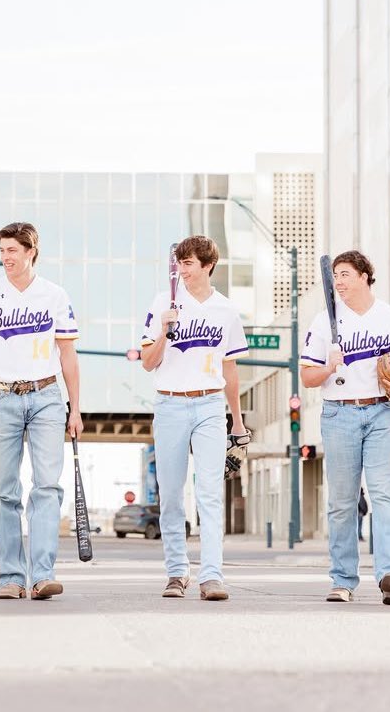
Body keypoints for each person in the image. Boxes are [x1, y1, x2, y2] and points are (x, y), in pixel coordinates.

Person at [0, 222, 82, 600]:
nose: (5, 258)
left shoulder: (54, 295)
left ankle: (42, 575)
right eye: (1, 251)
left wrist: (75, 407)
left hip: (46, 394)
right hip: (0, 397)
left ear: (31, 251)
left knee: (47, 486)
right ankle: (11, 577)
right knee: (5, 493)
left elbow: (68, 355)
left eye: (12, 250)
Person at [301, 250, 390, 605]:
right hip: (340, 413)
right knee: (342, 502)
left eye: (345, 274)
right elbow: (308, 376)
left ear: (365, 276)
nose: (338, 281)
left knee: (385, 494)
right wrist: (329, 366)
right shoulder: (325, 321)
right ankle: (342, 579)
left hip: (382, 412)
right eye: (335, 275)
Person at [139, 235, 248, 601]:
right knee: (171, 495)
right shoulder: (162, 304)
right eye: (179, 263)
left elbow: (230, 370)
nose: (182, 270)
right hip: (170, 403)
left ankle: (212, 576)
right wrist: (164, 332)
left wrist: (238, 420)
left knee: (210, 494)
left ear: (207, 266)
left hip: (210, 405)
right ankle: (176, 571)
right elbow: (148, 362)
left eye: (188, 263)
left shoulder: (227, 311)